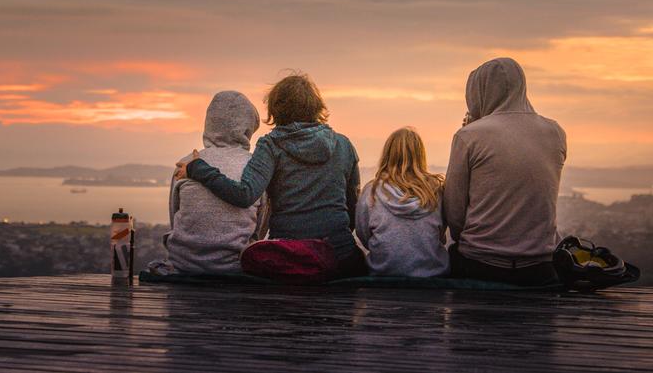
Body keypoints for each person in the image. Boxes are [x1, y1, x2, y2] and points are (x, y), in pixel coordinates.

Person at [175, 72, 364, 278]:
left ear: (276, 108)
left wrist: (198, 168)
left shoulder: (271, 145)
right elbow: (353, 207)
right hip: (339, 256)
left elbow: (244, 195)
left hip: (291, 256)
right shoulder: (344, 145)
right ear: (316, 106)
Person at [443, 57, 567, 286]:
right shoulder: (555, 132)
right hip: (540, 267)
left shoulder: (468, 136)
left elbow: (454, 212)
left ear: (477, 93)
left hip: (480, 265)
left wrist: (473, 126)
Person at [148, 91, 268, 275]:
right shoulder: (256, 168)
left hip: (184, 267)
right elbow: (260, 227)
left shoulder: (187, 163)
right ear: (248, 129)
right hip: (235, 269)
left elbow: (175, 217)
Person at [355, 126, 450, 277]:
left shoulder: (371, 191)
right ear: (420, 155)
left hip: (383, 272)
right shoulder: (436, 191)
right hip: (432, 275)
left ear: (387, 154)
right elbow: (440, 232)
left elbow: (363, 233)